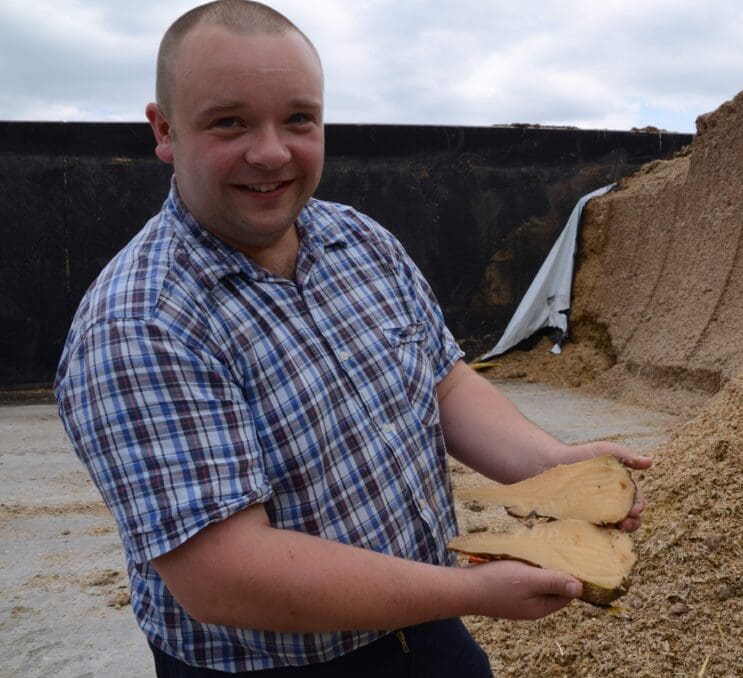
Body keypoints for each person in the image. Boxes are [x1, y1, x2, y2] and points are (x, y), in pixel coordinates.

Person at [54, 1, 651, 675]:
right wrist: (475, 592)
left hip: (423, 629)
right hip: (274, 662)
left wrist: (556, 468)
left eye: (299, 119)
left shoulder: (357, 239)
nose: (272, 151)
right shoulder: (140, 323)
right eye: (230, 122)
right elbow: (224, 576)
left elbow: (443, 382)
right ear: (165, 131)